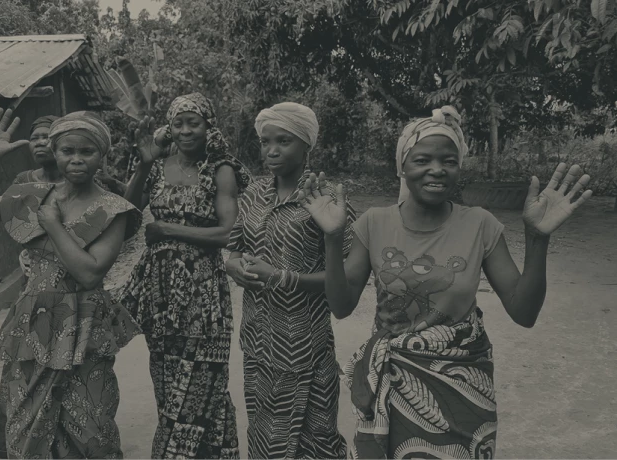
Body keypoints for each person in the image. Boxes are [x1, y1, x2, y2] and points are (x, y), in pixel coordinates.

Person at [297, 106, 593, 459]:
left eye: (449, 161)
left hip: (464, 388)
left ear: (459, 167)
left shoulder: (480, 224)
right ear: (402, 166)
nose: (437, 169)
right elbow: (341, 305)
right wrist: (332, 238)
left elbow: (524, 312)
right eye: (422, 160)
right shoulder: (375, 223)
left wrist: (537, 237)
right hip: (395, 386)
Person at [0, 108, 142, 458]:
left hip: (84, 327)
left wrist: (52, 224)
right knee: (27, 426)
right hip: (34, 325)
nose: (76, 159)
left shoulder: (114, 209)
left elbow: (90, 273)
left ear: (102, 156)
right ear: (55, 152)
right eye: (68, 150)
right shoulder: (31, 196)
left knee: (92, 430)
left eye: (87, 151)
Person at [118, 92, 251, 459]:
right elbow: (126, 215)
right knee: (167, 380)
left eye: (194, 123)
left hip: (202, 290)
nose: (186, 130)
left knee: (203, 380)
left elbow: (228, 233)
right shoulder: (157, 167)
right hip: (160, 290)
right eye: (179, 123)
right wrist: (144, 164)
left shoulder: (220, 170)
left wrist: (168, 229)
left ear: (209, 127)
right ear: (169, 129)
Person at [225, 102, 354, 459]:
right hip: (258, 341)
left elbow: (345, 278)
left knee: (317, 441)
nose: (272, 151)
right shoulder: (254, 195)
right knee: (265, 437)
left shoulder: (326, 201)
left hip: (305, 347)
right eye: (265, 142)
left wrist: (281, 277)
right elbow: (234, 250)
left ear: (306, 145)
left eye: (284, 141)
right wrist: (233, 267)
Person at [14, 114, 127, 195]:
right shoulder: (23, 181)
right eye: (34, 138)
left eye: (46, 137)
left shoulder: (89, 182)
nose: (40, 143)